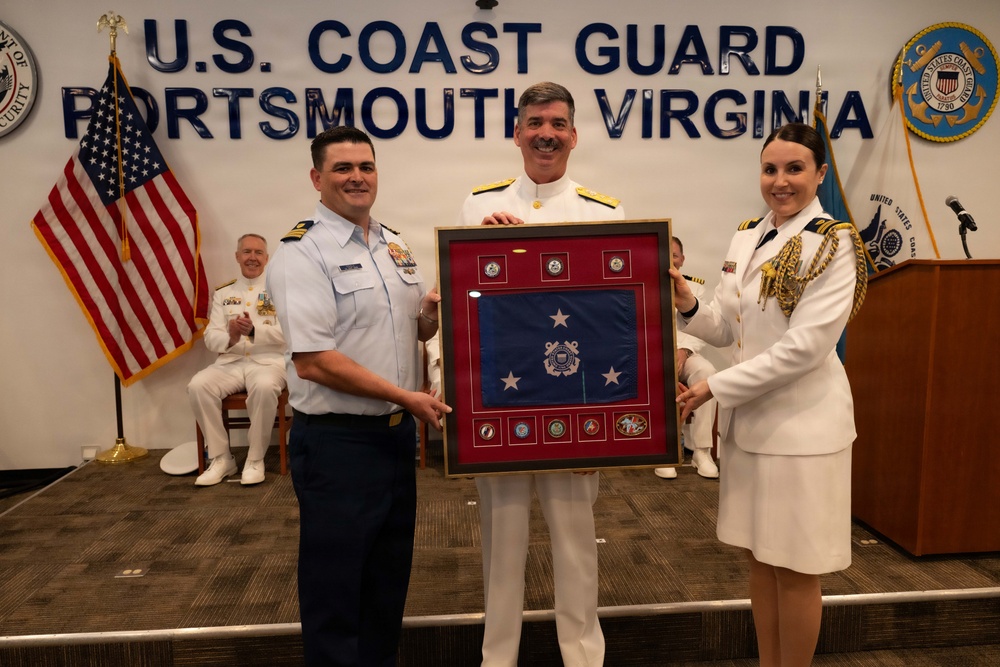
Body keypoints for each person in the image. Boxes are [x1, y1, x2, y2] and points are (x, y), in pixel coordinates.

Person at [673, 122, 867, 667]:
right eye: (770, 169)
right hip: (751, 427)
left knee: (796, 567)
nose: (780, 181)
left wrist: (714, 386)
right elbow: (728, 327)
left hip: (803, 431)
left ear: (820, 174)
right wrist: (687, 301)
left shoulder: (834, 242)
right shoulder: (748, 235)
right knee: (760, 559)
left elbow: (804, 349)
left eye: (794, 169)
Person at [266, 126, 451, 667]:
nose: (356, 177)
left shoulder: (393, 244)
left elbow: (413, 332)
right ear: (316, 178)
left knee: (386, 584)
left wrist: (430, 315)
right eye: (342, 168)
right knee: (336, 589)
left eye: (365, 167)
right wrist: (406, 396)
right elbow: (314, 361)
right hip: (337, 444)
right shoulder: (302, 253)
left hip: (393, 441)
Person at [459, 81, 623, 667]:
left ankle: (582, 657)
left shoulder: (606, 213)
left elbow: (611, 321)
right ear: (517, 133)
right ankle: (497, 657)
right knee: (500, 545)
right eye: (534, 123)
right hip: (501, 403)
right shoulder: (477, 207)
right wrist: (484, 251)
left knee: (576, 544)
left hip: (573, 403)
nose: (545, 134)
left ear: (574, 135)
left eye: (557, 124)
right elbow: (466, 304)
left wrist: (603, 423)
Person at [189, 233, 286, 486]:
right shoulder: (224, 293)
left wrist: (254, 332)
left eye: (258, 252)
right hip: (230, 362)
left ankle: (255, 459)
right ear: (237, 256)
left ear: (267, 258)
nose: (252, 257)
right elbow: (211, 338)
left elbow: (290, 332)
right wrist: (230, 338)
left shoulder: (279, 289)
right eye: (247, 252)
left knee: (264, 387)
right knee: (198, 385)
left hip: (268, 362)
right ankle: (222, 458)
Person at [654, 236, 720, 480]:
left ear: (682, 259)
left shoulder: (695, 287)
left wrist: (683, 350)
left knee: (707, 372)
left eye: (674, 255)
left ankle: (701, 451)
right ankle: (663, 450)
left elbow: (700, 325)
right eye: (665, 254)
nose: (670, 259)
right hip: (654, 356)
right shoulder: (642, 284)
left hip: (685, 353)